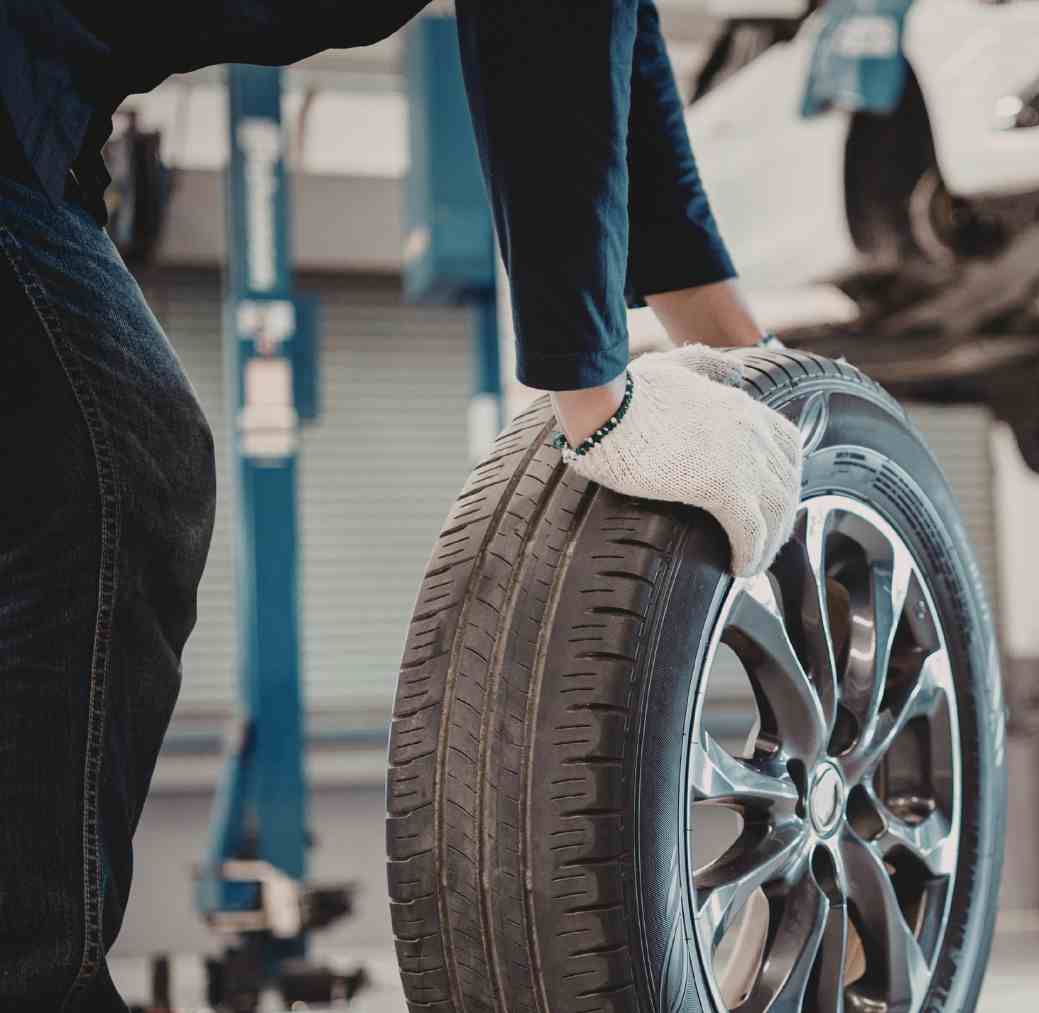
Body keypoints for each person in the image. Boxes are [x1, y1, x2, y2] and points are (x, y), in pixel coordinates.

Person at [0, 2, 803, 1008]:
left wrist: (749, 366)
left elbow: (611, 49)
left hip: (41, 124)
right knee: (117, 473)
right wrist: (597, 399)